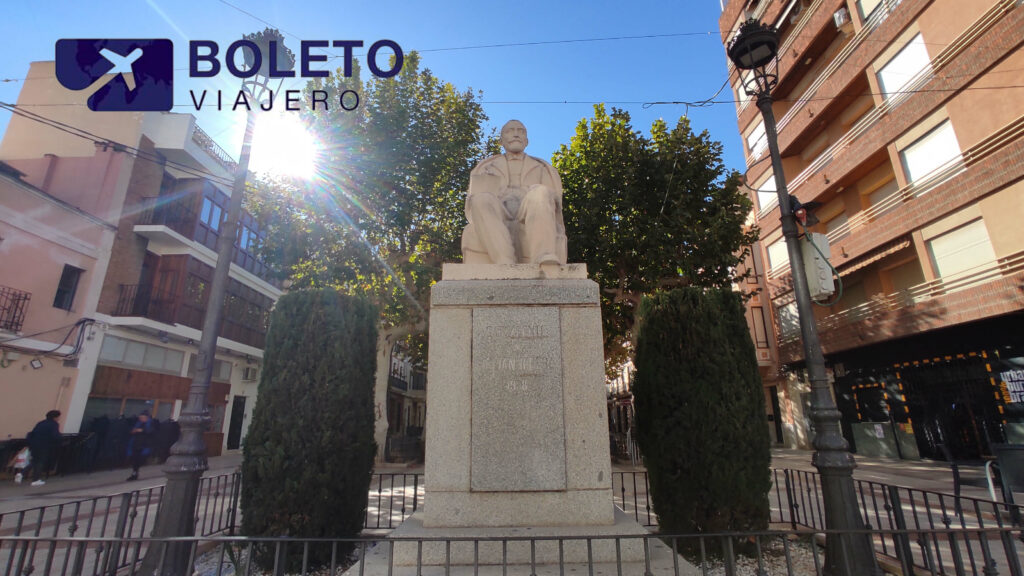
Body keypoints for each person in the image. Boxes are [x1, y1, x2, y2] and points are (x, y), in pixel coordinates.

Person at [461, 119, 568, 265]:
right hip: (500, 209)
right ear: (501, 141)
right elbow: (473, 205)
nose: (516, 134)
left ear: (526, 141)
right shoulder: (487, 167)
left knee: (541, 193)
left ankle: (543, 255)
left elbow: (553, 200)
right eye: (510, 131)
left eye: (520, 131)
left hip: (530, 208)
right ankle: (504, 259)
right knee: (480, 200)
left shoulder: (541, 167)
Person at [22, 410, 62, 486]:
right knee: (40, 462)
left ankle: (22, 474)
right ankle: (35, 480)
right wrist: (61, 438)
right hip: (44, 445)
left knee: (34, 461)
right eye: (58, 417)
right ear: (55, 417)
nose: (59, 418)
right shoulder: (54, 424)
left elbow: (33, 432)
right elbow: (55, 436)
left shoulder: (41, 423)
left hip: (34, 444)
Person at [126, 412, 155, 481]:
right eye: (140, 418)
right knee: (134, 460)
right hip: (136, 444)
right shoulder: (138, 423)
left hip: (144, 445)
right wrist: (133, 431)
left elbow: (151, 432)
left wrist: (141, 430)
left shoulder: (151, 423)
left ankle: (135, 473)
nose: (141, 419)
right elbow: (131, 431)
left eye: (142, 418)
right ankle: (134, 473)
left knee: (139, 460)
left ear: (146, 418)